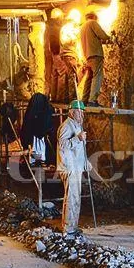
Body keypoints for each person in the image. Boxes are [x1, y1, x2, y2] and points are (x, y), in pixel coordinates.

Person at [57, 100, 92, 235]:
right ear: (72, 112)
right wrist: (77, 138)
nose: (82, 115)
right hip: (69, 167)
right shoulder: (66, 126)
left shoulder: (77, 126)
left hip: (76, 167)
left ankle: (73, 226)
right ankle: (68, 228)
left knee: (75, 197)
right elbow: (63, 145)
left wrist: (85, 162)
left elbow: (79, 149)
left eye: (83, 112)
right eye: (79, 112)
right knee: (71, 197)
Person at [79, 10, 111, 106]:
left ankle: (84, 99)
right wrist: (109, 38)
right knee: (97, 77)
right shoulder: (92, 23)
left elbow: (92, 39)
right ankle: (92, 100)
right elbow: (102, 35)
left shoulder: (82, 27)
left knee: (89, 78)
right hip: (96, 55)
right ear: (94, 17)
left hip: (88, 56)